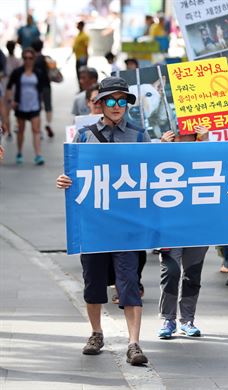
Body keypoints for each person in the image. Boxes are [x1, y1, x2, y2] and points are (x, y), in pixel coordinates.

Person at [55, 76, 151, 365]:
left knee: (129, 282)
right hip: (94, 224)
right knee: (93, 284)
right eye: (111, 100)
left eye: (123, 100)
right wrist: (63, 180)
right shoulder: (84, 135)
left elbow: (154, 174)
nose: (117, 105)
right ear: (100, 103)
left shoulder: (138, 134)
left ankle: (134, 343)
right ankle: (96, 333)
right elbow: (71, 172)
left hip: (128, 224)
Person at [156, 126, 210, 339]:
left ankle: (187, 319)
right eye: (176, 132)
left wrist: (203, 142)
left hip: (198, 225)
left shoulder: (202, 153)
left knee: (192, 273)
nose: (180, 136)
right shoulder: (162, 153)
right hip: (169, 226)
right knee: (170, 271)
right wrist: (161, 149)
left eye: (186, 132)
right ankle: (167, 319)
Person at [6, 48, 47, 165]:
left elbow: (41, 89)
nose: (28, 60)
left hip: (34, 106)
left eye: (30, 58)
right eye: (25, 58)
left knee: (36, 130)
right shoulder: (18, 72)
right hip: (21, 106)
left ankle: (38, 155)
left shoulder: (37, 72)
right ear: (22, 59)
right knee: (21, 131)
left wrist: (42, 102)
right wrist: (10, 101)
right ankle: (19, 152)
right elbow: (9, 86)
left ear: (34, 59)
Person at [31, 39, 54, 138]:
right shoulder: (46, 58)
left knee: (38, 108)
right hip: (46, 85)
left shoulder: (31, 60)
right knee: (48, 106)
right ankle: (48, 124)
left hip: (36, 87)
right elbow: (53, 69)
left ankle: (39, 130)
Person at [72, 21, 90, 90]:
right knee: (78, 73)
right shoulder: (78, 35)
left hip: (82, 57)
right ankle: (81, 88)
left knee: (82, 74)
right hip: (77, 57)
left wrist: (86, 57)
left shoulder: (84, 36)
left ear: (81, 26)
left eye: (78, 25)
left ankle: (84, 88)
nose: (77, 26)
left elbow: (86, 47)